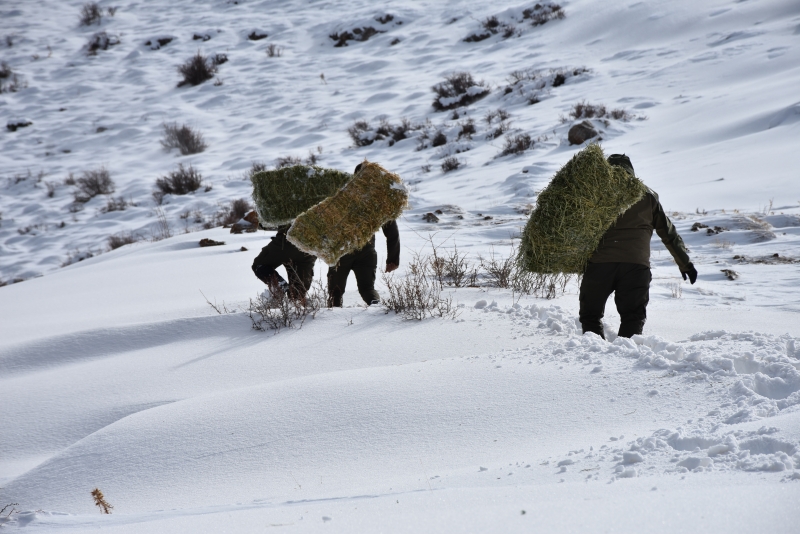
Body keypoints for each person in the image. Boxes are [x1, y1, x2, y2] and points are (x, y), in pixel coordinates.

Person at [579, 154, 698, 339]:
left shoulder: (596, 195)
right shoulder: (648, 196)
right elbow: (669, 233)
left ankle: (595, 355)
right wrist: (685, 264)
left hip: (600, 264)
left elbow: (577, 229)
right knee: (632, 318)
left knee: (590, 315)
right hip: (636, 266)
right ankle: (625, 360)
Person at [327, 163, 401, 307]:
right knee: (368, 289)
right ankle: (376, 309)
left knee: (335, 293)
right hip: (367, 252)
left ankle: (333, 322)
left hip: (342, 252)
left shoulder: (342, 196)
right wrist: (393, 259)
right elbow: (392, 232)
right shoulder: (379, 202)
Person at [251, 225, 316, 301]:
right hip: (311, 247)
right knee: (297, 294)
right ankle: (298, 307)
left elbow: (266, 221)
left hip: (288, 241)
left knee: (259, 265)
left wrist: (261, 222)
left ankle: (282, 288)